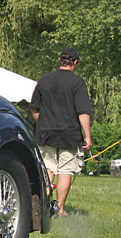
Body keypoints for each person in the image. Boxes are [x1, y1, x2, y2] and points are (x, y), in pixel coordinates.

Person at [29, 47, 93, 217]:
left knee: (48, 169)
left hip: (46, 133)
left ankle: (41, 207)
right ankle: (60, 209)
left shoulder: (44, 80)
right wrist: (87, 136)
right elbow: (83, 111)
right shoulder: (78, 83)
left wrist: (42, 123)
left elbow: (34, 108)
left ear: (59, 60)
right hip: (69, 134)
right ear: (76, 63)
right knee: (66, 171)